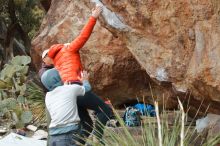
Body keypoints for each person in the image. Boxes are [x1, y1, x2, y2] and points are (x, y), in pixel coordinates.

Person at [39, 5, 112, 144]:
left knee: (87, 125)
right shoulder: (69, 49)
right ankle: (97, 137)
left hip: (66, 94)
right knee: (105, 110)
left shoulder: (56, 62)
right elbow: (83, 36)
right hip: (75, 88)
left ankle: (78, 143)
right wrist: (94, 17)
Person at [45, 72, 89, 146]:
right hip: (68, 135)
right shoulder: (70, 89)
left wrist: (65, 86)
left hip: (53, 137)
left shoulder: (48, 96)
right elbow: (86, 88)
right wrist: (85, 80)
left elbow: (60, 95)